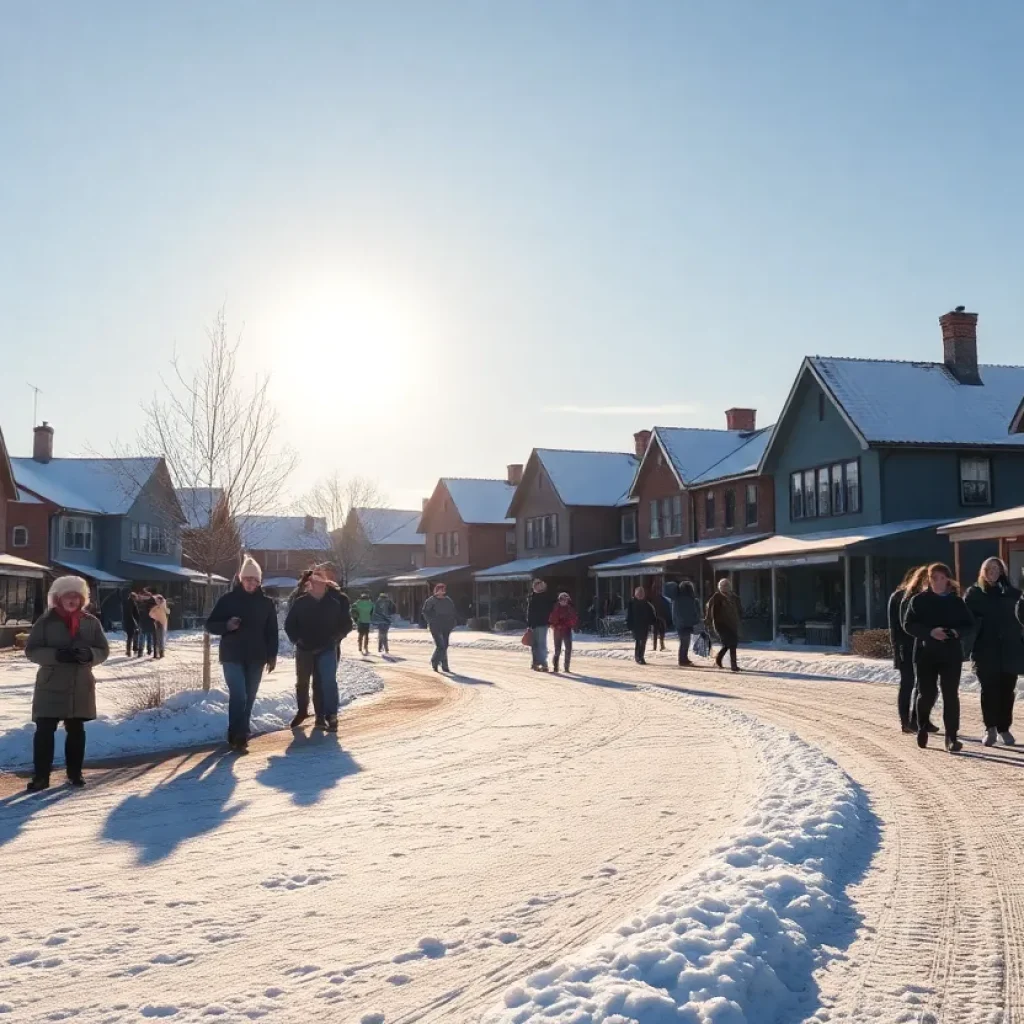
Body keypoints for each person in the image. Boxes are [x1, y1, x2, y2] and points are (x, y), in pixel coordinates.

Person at [24, 575, 110, 791]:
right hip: (51, 683)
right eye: (67, 596)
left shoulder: (91, 622)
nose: (72, 600)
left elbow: (103, 650)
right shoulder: (45, 622)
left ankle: (75, 774)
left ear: (83, 599)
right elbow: (32, 650)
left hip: (80, 683)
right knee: (44, 729)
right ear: (58, 598)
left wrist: (88, 654)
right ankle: (41, 777)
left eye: (76, 596)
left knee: (76, 729)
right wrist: (56, 655)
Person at [205, 556, 279, 753]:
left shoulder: (266, 603)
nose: (251, 583)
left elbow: (272, 631)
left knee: (250, 696)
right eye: (248, 579)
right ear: (240, 578)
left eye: (255, 580)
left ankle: (241, 733)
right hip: (232, 655)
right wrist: (226, 626)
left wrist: (272, 655)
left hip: (257, 656)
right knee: (239, 695)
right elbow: (210, 624)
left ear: (260, 581)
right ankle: (236, 732)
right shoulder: (228, 600)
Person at [903, 562, 975, 753]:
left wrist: (955, 632)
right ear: (929, 580)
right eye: (934, 578)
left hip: (950, 653)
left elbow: (969, 625)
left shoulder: (956, 602)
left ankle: (951, 737)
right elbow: (908, 624)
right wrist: (930, 632)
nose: (939, 582)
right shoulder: (918, 600)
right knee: (926, 693)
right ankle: (922, 726)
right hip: (926, 654)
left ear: (948, 580)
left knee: (951, 695)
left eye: (942, 578)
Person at [964, 557, 1024, 747]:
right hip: (985, 651)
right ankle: (990, 728)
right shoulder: (974, 594)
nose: (993, 572)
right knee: (989, 691)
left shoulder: (1013, 594)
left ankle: (1004, 728)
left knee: (1007, 692)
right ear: (983, 571)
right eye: (990, 569)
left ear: (1002, 571)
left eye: (997, 569)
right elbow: (967, 622)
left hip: (1010, 650)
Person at [285, 570, 348, 732]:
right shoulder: (300, 602)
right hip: (304, 648)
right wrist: (297, 639)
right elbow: (289, 624)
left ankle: (329, 715)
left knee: (325, 681)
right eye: (313, 583)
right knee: (303, 681)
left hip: (327, 647)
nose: (316, 586)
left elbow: (346, 623)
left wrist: (336, 638)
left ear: (325, 584)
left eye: (320, 583)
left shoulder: (334, 602)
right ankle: (303, 711)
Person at [889, 566, 927, 733]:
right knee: (908, 683)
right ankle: (905, 720)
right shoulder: (899, 597)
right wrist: (897, 651)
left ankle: (919, 718)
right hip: (906, 646)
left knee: (925, 685)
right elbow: (895, 627)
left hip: (924, 646)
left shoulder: (928, 598)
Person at [705, 578, 742, 671]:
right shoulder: (716, 597)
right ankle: (734, 665)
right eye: (722, 586)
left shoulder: (734, 597)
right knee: (732, 643)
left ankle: (718, 659)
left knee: (727, 643)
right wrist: (708, 621)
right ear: (719, 587)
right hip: (721, 624)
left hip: (732, 624)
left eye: (726, 585)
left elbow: (739, 609)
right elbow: (709, 610)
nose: (724, 587)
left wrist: (740, 618)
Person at [422, 582, 457, 673]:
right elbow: (425, 612)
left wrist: (453, 622)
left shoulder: (448, 600)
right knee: (440, 646)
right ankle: (435, 661)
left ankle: (444, 665)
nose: (441, 592)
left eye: (443, 590)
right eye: (439, 590)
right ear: (436, 591)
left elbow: (452, 612)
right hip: (435, 626)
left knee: (445, 645)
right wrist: (431, 621)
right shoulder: (431, 601)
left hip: (446, 626)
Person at [670, 580, 702, 667]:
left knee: (684, 642)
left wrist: (675, 622)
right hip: (688, 623)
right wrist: (696, 620)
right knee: (685, 642)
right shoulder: (691, 599)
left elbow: (674, 612)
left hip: (680, 624)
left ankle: (683, 658)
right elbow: (694, 611)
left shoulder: (676, 599)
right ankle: (682, 659)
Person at [526, 579, 556, 671]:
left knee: (541, 644)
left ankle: (544, 663)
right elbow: (529, 612)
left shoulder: (547, 597)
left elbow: (551, 610)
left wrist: (551, 622)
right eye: (536, 585)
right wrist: (529, 624)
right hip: (533, 624)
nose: (538, 587)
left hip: (543, 623)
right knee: (534, 644)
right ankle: (535, 662)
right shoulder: (532, 597)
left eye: (540, 585)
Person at [626, 586, 658, 665]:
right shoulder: (632, 603)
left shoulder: (647, 604)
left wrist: (653, 621)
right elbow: (629, 615)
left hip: (644, 625)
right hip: (636, 625)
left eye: (642, 593)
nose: (640, 595)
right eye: (639, 593)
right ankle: (638, 656)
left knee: (643, 641)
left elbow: (651, 614)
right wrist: (629, 624)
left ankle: (641, 656)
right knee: (638, 641)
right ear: (635, 594)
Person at [548, 592, 578, 673]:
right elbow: (552, 619)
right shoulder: (556, 608)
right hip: (557, 631)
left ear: (567, 600)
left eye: (565, 600)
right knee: (557, 649)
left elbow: (574, 619)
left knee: (568, 649)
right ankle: (555, 666)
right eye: (562, 600)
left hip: (567, 630)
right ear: (559, 600)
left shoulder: (570, 609)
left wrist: (566, 624)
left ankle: (566, 667)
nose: (564, 601)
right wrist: (555, 624)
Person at [137, 587, 156, 658]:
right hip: (150, 622)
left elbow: (139, 612)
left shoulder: (141, 604)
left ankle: (140, 651)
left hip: (142, 622)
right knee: (149, 637)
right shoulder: (153, 604)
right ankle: (149, 650)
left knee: (142, 637)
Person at [149, 593, 169, 659]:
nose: (156, 601)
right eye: (156, 600)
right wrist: (155, 617)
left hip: (163, 623)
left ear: (160, 601)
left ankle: (161, 652)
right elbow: (150, 614)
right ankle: (158, 652)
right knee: (158, 638)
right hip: (157, 624)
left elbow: (168, 612)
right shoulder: (155, 607)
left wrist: (163, 605)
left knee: (162, 638)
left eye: (158, 600)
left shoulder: (163, 606)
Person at [121, 589, 140, 657]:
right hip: (132, 622)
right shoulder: (131, 603)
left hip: (128, 622)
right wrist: (135, 623)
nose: (136, 598)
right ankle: (132, 650)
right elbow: (131, 614)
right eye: (136, 597)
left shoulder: (127, 603)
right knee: (132, 636)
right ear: (133, 597)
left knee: (131, 636)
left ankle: (129, 650)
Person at [652, 587, 671, 652]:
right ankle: (657, 646)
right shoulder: (658, 600)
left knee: (660, 633)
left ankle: (659, 646)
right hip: (658, 618)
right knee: (658, 633)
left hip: (660, 618)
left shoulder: (661, 600)